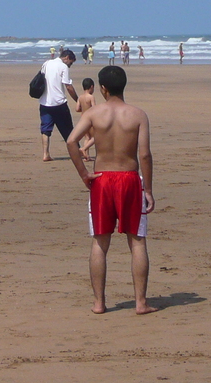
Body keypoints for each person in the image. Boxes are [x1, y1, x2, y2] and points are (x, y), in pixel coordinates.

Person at [66, 65, 156, 315]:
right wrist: (147, 189)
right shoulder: (138, 115)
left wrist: (84, 174)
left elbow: (71, 141)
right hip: (129, 178)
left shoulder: (94, 114)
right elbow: (145, 154)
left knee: (100, 241)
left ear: (102, 88)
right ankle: (140, 303)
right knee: (137, 241)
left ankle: (99, 303)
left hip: (102, 179)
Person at [38, 49, 79, 161]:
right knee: (68, 130)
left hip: (45, 102)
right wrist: (77, 100)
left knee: (45, 129)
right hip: (59, 103)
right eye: (71, 62)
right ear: (66, 58)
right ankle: (76, 152)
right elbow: (68, 86)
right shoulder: (63, 67)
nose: (70, 65)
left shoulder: (46, 63)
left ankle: (45, 154)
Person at [75, 77, 97, 160]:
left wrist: (83, 109)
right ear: (91, 87)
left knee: (87, 137)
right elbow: (94, 108)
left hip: (83, 118)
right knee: (95, 137)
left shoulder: (80, 97)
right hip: (90, 119)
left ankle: (86, 156)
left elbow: (77, 109)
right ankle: (84, 149)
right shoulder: (91, 97)